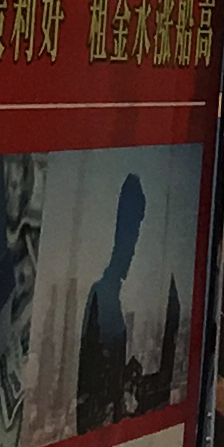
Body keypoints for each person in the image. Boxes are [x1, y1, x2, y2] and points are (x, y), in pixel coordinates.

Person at [76, 170, 146, 433]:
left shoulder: (109, 298)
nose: (132, 250)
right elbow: (91, 389)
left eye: (135, 237)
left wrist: (125, 379)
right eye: (130, 236)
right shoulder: (101, 296)